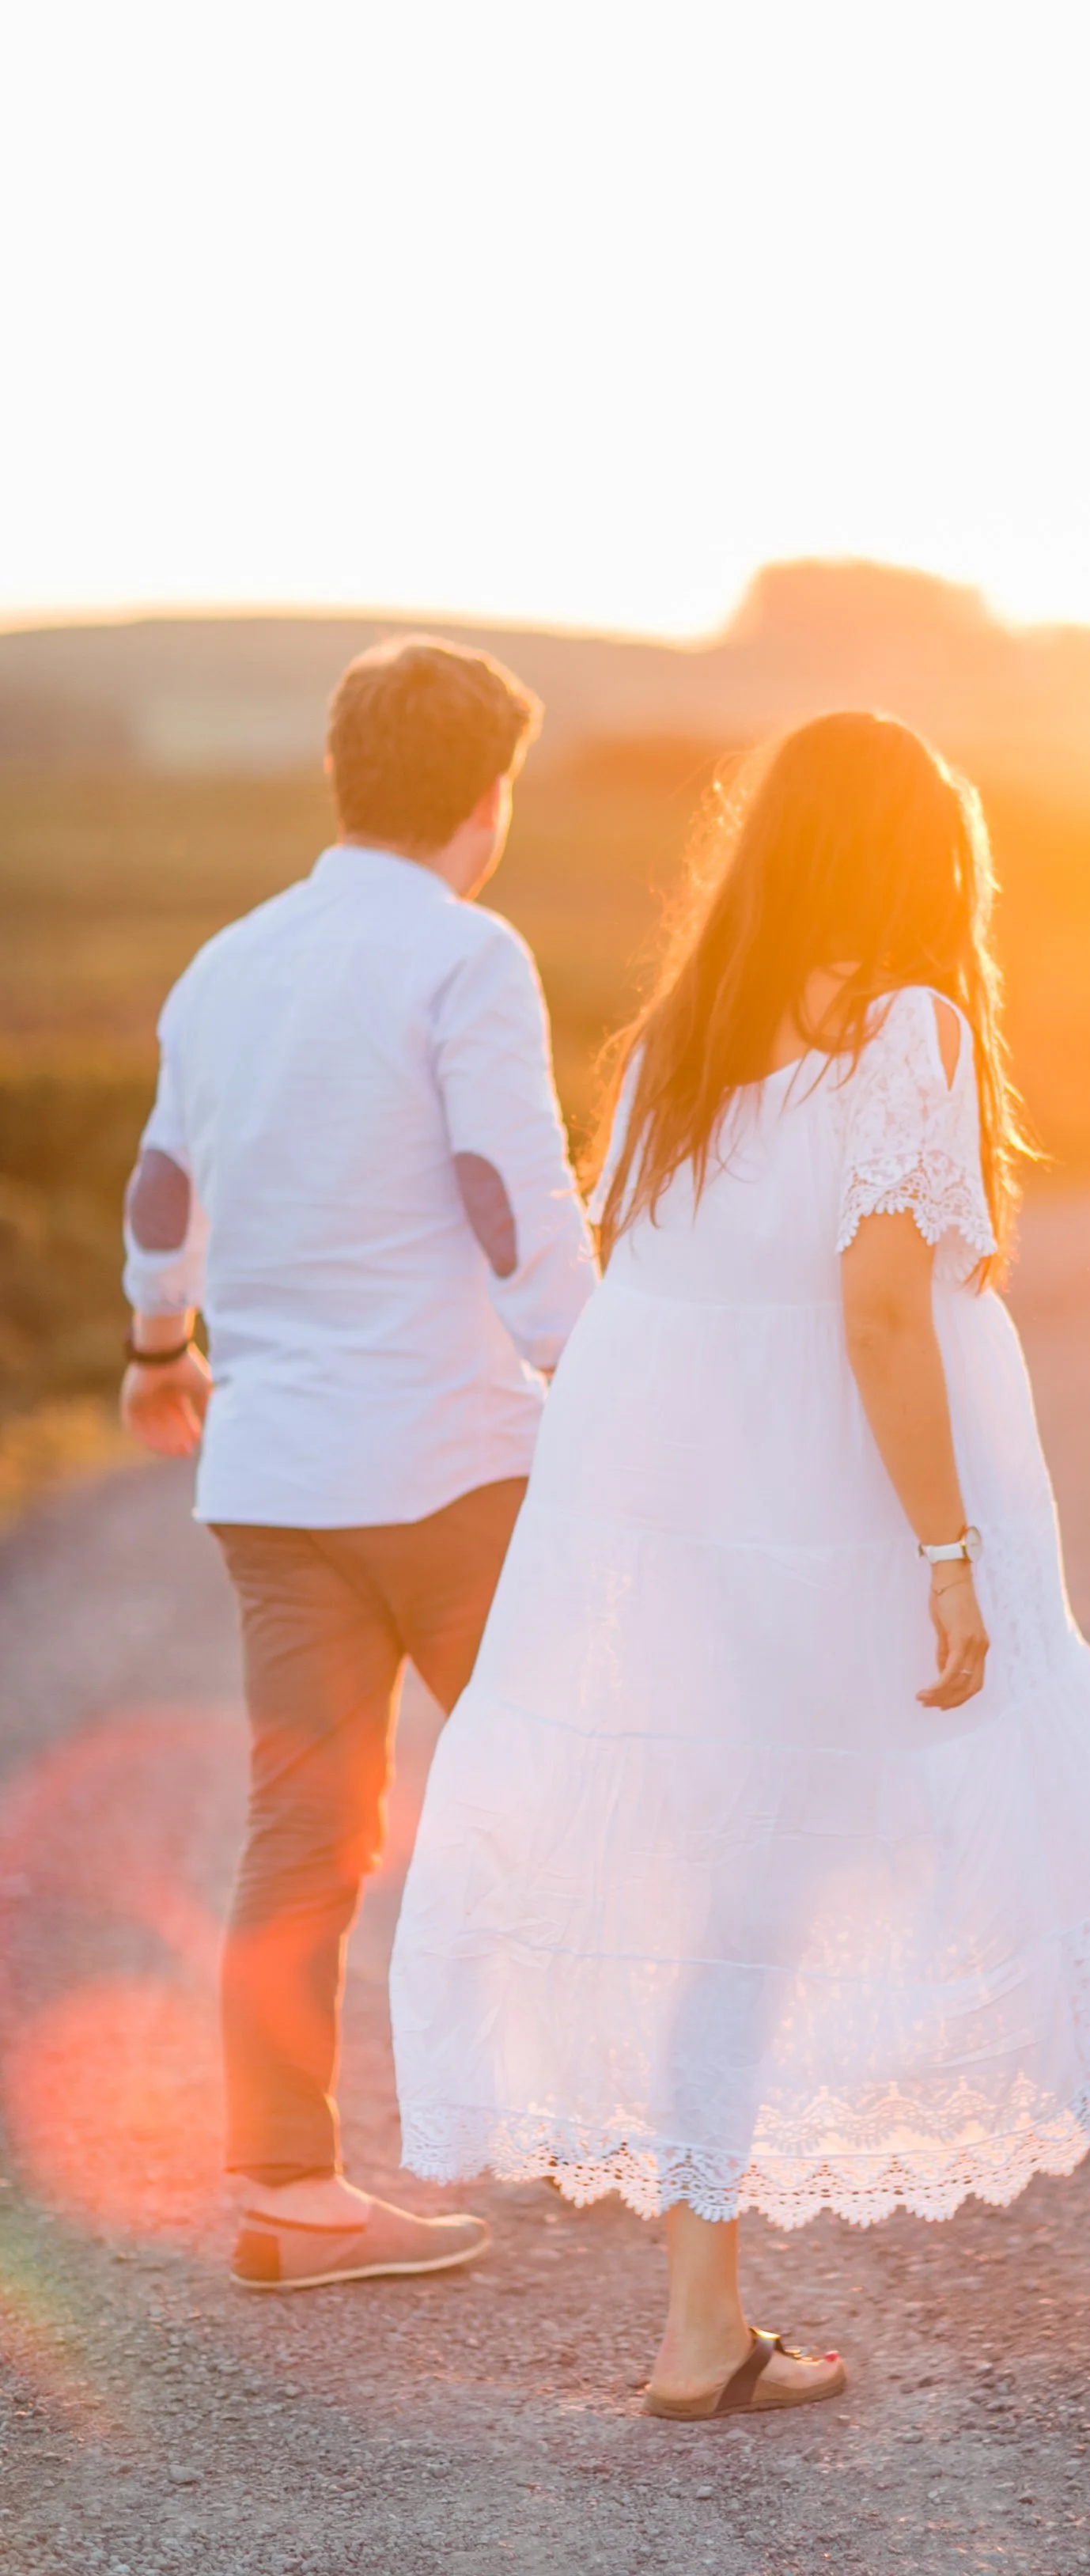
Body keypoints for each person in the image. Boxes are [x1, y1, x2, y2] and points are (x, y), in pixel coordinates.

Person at [390, 710, 1090, 2414]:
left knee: (726, 1892)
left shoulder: (683, 1047)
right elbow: (881, 1317)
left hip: (707, 1530)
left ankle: (698, 2333)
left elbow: (648, 1297)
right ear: (916, 862)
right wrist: (948, 1555)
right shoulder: (908, 1028)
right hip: (863, 1517)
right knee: (1055, 1821)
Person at [121, 636, 593, 2292]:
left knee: (301, 1834)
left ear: (343, 777)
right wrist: (592, 1367)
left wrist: (155, 1345)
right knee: (578, 1776)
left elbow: (165, 1180)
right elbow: (501, 1183)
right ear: (489, 796)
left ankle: (289, 2193)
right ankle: (619, 2125)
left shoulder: (228, 966)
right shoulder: (467, 957)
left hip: (276, 1474)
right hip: (457, 1462)